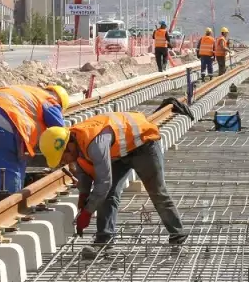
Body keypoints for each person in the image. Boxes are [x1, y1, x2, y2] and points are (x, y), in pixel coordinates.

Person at [39, 103, 191, 257]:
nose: (63, 162)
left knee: (157, 193)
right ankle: (103, 241)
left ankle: (178, 237)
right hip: (119, 152)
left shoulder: (95, 144)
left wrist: (88, 212)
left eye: (62, 158)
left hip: (144, 145)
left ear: (68, 147)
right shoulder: (76, 141)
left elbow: (103, 183)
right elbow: (84, 172)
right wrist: (83, 197)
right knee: (109, 194)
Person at [0, 84, 68, 192]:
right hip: (2, 120)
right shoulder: (50, 100)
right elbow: (61, 133)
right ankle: (8, 205)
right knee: (9, 171)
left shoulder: (27, 91)